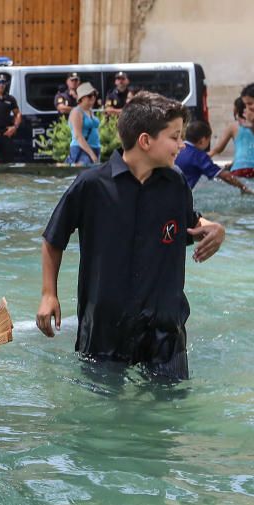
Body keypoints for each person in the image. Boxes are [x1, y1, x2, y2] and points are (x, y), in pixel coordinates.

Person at [36, 92, 226, 381]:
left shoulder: (175, 184)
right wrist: (49, 294)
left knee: (167, 413)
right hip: (105, 328)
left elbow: (190, 223)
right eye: (174, 137)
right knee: (105, 412)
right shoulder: (92, 185)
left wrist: (215, 228)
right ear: (146, 141)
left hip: (165, 330)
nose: (181, 144)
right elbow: (53, 239)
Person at [175, 120, 251, 193]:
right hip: (179, 197)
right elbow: (225, 176)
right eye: (209, 140)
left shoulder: (176, 148)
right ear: (203, 140)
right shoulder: (199, 156)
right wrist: (243, 187)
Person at [209, 85, 254, 178]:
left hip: (239, 169)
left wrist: (200, 158)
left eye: (249, 104)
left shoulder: (233, 126)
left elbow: (218, 149)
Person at [67, 82, 101, 165]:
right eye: (89, 96)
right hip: (81, 150)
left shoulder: (90, 111)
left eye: (94, 95)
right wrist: (92, 155)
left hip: (95, 148)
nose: (93, 97)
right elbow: (78, 136)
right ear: (81, 98)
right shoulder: (76, 112)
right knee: (82, 175)